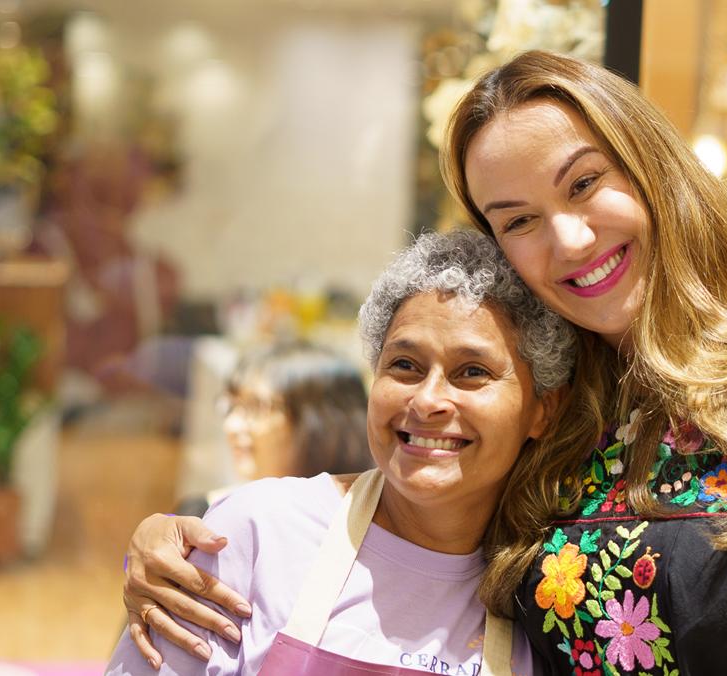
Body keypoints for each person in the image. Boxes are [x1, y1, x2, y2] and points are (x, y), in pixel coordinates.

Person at [121, 51, 727, 674]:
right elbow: (413, 491)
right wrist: (197, 536)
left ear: (652, 170)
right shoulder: (567, 415)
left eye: (583, 184)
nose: (569, 240)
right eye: (518, 220)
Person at [107, 231, 574, 673]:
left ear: (544, 410)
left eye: (472, 372)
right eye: (405, 365)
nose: (427, 401)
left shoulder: (550, 598)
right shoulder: (255, 533)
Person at [176, 342, 373, 517]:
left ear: (323, 423)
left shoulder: (364, 525)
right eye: (232, 406)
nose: (232, 425)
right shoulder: (204, 517)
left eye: (255, 406)